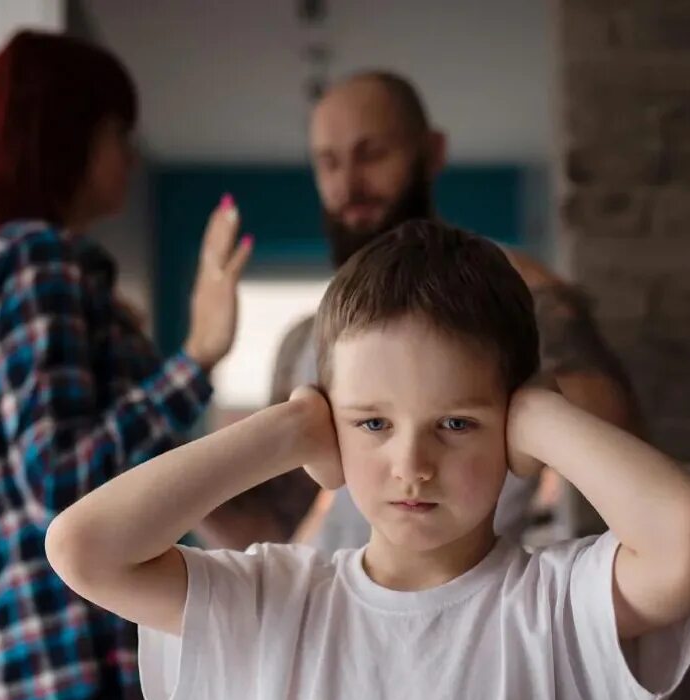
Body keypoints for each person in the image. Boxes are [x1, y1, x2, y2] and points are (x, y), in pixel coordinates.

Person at [46, 221, 690, 700]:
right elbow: (83, 549)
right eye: (372, 422)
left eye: (456, 423)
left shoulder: (560, 607)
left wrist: (541, 417)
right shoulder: (275, 603)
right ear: (330, 419)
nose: (413, 464)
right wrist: (288, 431)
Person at [0, 31, 251, 700]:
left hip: (23, 695)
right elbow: (63, 481)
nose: (131, 158)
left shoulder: (9, 268)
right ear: (64, 136)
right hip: (59, 690)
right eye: (117, 133)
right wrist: (197, 355)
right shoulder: (38, 262)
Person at [196, 71, 639, 552]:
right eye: (329, 163)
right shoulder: (307, 339)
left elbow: (614, 431)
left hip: (475, 604)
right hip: (344, 608)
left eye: (372, 154)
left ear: (432, 153)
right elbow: (274, 522)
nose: (349, 185)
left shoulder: (522, 295)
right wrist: (190, 368)